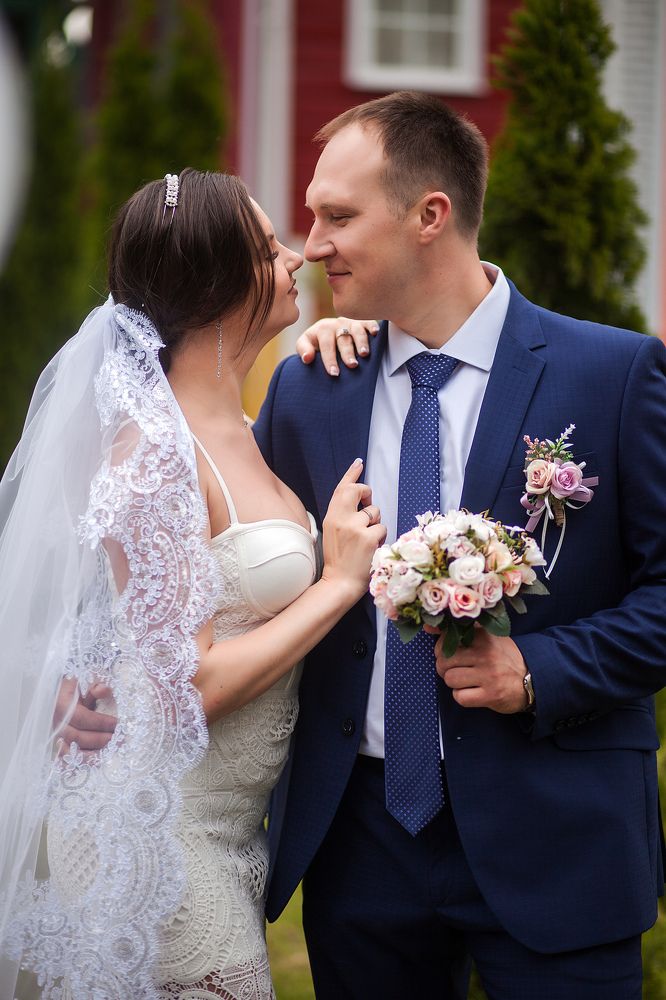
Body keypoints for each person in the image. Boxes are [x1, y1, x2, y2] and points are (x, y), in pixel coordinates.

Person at [252, 91, 666, 998]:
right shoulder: (310, 390)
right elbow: (243, 583)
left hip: (558, 833)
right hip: (360, 841)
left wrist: (540, 670)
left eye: (339, 217)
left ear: (430, 215)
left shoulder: (611, 374)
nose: (313, 244)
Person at [0, 168, 385, 999]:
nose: (295, 257)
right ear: (217, 281)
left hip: (223, 824)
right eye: (269, 248)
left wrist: (341, 344)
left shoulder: (241, 426)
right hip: (156, 826)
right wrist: (337, 584)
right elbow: (189, 684)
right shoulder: (153, 452)